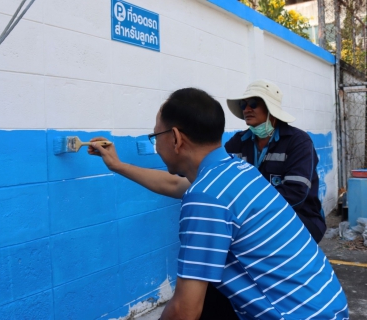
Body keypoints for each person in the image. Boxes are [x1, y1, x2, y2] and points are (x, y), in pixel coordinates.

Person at [89, 88, 348, 319]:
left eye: (155, 136)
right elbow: (174, 184)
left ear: (176, 138)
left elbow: (184, 311)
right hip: (327, 306)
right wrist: (117, 165)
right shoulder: (236, 169)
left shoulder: (206, 197)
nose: (156, 145)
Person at [225, 79, 326, 243]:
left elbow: (296, 195)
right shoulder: (238, 142)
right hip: (255, 219)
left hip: (301, 219)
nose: (247, 109)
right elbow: (219, 174)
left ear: (270, 109)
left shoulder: (298, 141)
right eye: (243, 105)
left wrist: (250, 208)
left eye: (253, 103)